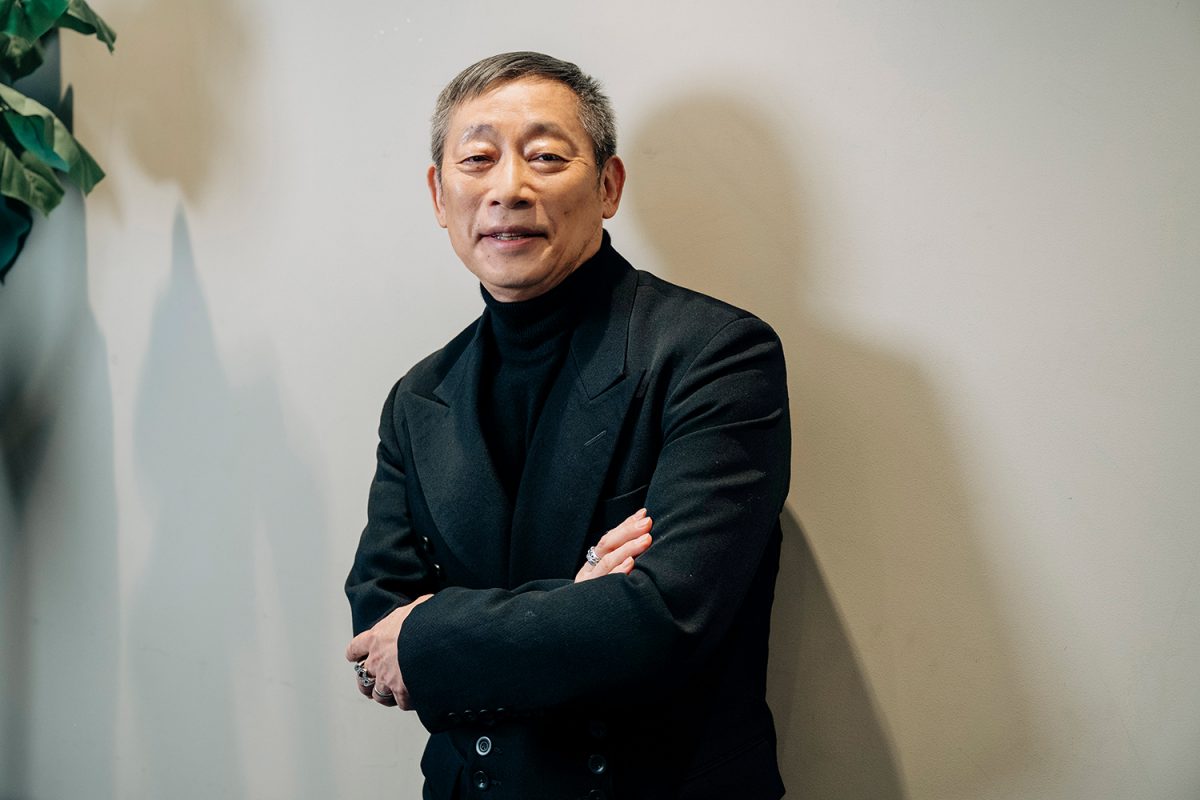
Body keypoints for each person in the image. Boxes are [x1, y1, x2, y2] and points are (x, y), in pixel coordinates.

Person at [345, 51, 790, 800]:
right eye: (477, 160)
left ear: (608, 186)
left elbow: (665, 618)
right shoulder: (419, 396)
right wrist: (578, 599)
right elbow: (375, 628)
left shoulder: (714, 354)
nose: (508, 189)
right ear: (439, 195)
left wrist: (432, 638)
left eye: (547, 156)